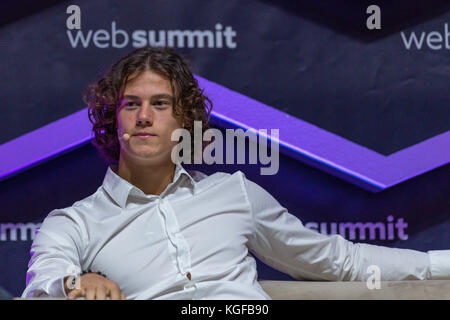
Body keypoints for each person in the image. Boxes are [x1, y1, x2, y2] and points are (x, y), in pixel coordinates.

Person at [22, 47, 449, 300]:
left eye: (161, 104)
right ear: (113, 119)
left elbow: (342, 261)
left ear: (185, 120)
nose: (144, 117)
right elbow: (44, 282)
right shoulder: (74, 222)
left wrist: (442, 264)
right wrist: (79, 281)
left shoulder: (234, 193)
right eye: (131, 104)